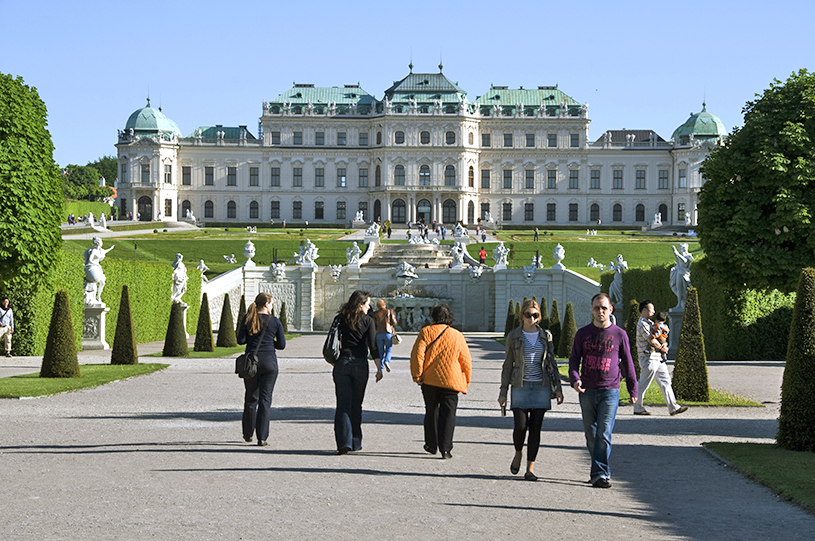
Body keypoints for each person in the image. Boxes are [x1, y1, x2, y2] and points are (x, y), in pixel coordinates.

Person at [569, 293, 638, 488]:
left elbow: (628, 362)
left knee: (604, 432)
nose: (601, 311)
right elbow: (574, 359)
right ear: (592, 310)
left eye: (604, 308)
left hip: (610, 390)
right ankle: (597, 469)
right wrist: (575, 379)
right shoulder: (582, 334)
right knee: (591, 435)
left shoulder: (619, 334)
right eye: (597, 308)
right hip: (587, 390)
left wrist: (633, 389)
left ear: (610, 310)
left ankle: (600, 473)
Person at [499, 300, 563, 481]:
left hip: (540, 386)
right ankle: (518, 452)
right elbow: (507, 365)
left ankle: (530, 468)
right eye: (528, 315)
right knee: (520, 427)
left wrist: (557, 388)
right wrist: (503, 392)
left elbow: (552, 363)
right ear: (522, 316)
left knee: (535, 429)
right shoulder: (514, 336)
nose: (532, 318)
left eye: (535, 315)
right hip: (520, 385)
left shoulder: (545, 336)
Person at [410, 304, 472, 459]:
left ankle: (431, 445)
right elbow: (466, 361)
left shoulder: (426, 332)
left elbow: (417, 356)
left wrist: (417, 376)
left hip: (430, 379)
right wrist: (465, 380)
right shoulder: (457, 335)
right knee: (449, 414)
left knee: (431, 411)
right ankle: (446, 449)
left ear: (433, 317)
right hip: (451, 380)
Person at [333, 290, 383, 454]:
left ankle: (343, 443)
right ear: (360, 304)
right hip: (360, 364)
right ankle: (355, 441)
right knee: (356, 404)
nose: (369, 307)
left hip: (342, 363)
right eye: (367, 304)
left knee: (342, 404)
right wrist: (379, 367)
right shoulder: (368, 321)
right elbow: (373, 346)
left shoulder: (340, 318)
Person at [237, 292, 286, 446]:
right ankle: (262, 437)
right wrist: (271, 342)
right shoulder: (275, 322)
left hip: (251, 361)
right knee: (265, 400)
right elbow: (282, 345)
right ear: (266, 304)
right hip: (269, 363)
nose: (271, 306)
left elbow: (240, 340)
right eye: (271, 303)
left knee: (251, 398)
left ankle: (247, 434)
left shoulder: (248, 319)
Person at [633, 301, 688, 417]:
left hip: (657, 358)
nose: (653, 311)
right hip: (648, 358)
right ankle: (637, 407)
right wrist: (661, 348)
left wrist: (664, 345)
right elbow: (650, 339)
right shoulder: (642, 324)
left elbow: (660, 337)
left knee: (666, 382)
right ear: (644, 310)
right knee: (643, 384)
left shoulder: (651, 323)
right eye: (651, 309)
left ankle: (673, 407)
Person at [372, 299, 397, 372]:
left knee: (380, 351)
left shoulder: (375, 314)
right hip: (388, 333)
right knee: (389, 349)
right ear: (384, 305)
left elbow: (373, 325)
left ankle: (381, 368)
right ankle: (387, 361)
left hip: (378, 334)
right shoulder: (389, 311)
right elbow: (394, 322)